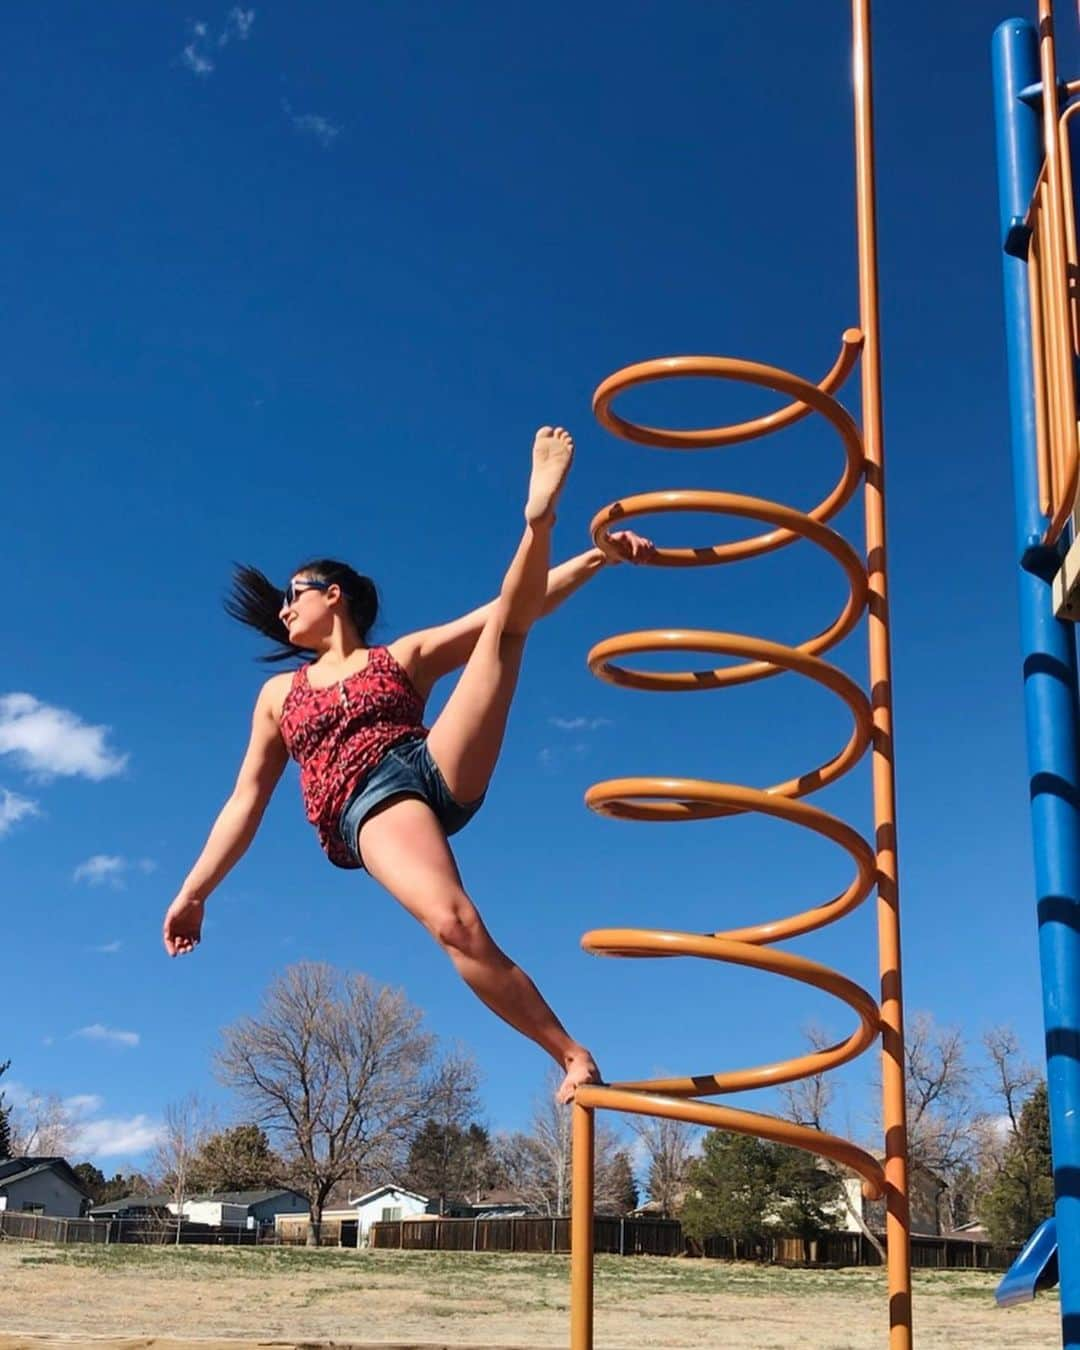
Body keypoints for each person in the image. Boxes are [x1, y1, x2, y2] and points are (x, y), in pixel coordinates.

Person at [161, 426, 653, 1102]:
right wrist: (194, 891)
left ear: (333, 594)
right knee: (455, 923)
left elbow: (511, 608)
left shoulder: (401, 658)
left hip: (429, 762)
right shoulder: (279, 696)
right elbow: (245, 802)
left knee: (505, 630)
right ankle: (570, 1054)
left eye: (293, 594)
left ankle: (538, 520)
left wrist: (598, 560)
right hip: (371, 804)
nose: (282, 610)